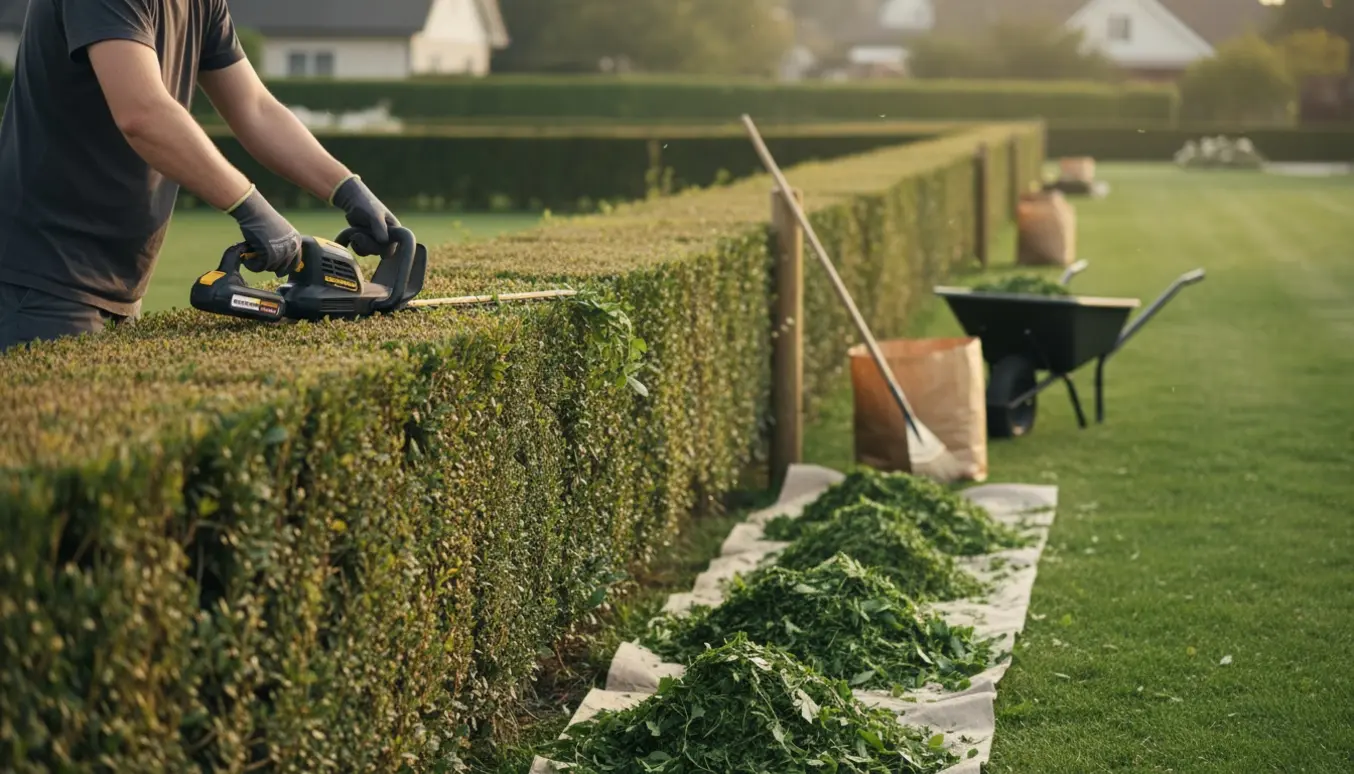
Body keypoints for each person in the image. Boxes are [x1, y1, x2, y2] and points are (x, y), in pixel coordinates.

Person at [0, 0, 402, 351]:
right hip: (41, 280)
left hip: (113, 285)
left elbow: (255, 108)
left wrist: (347, 188)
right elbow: (143, 112)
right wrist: (251, 207)